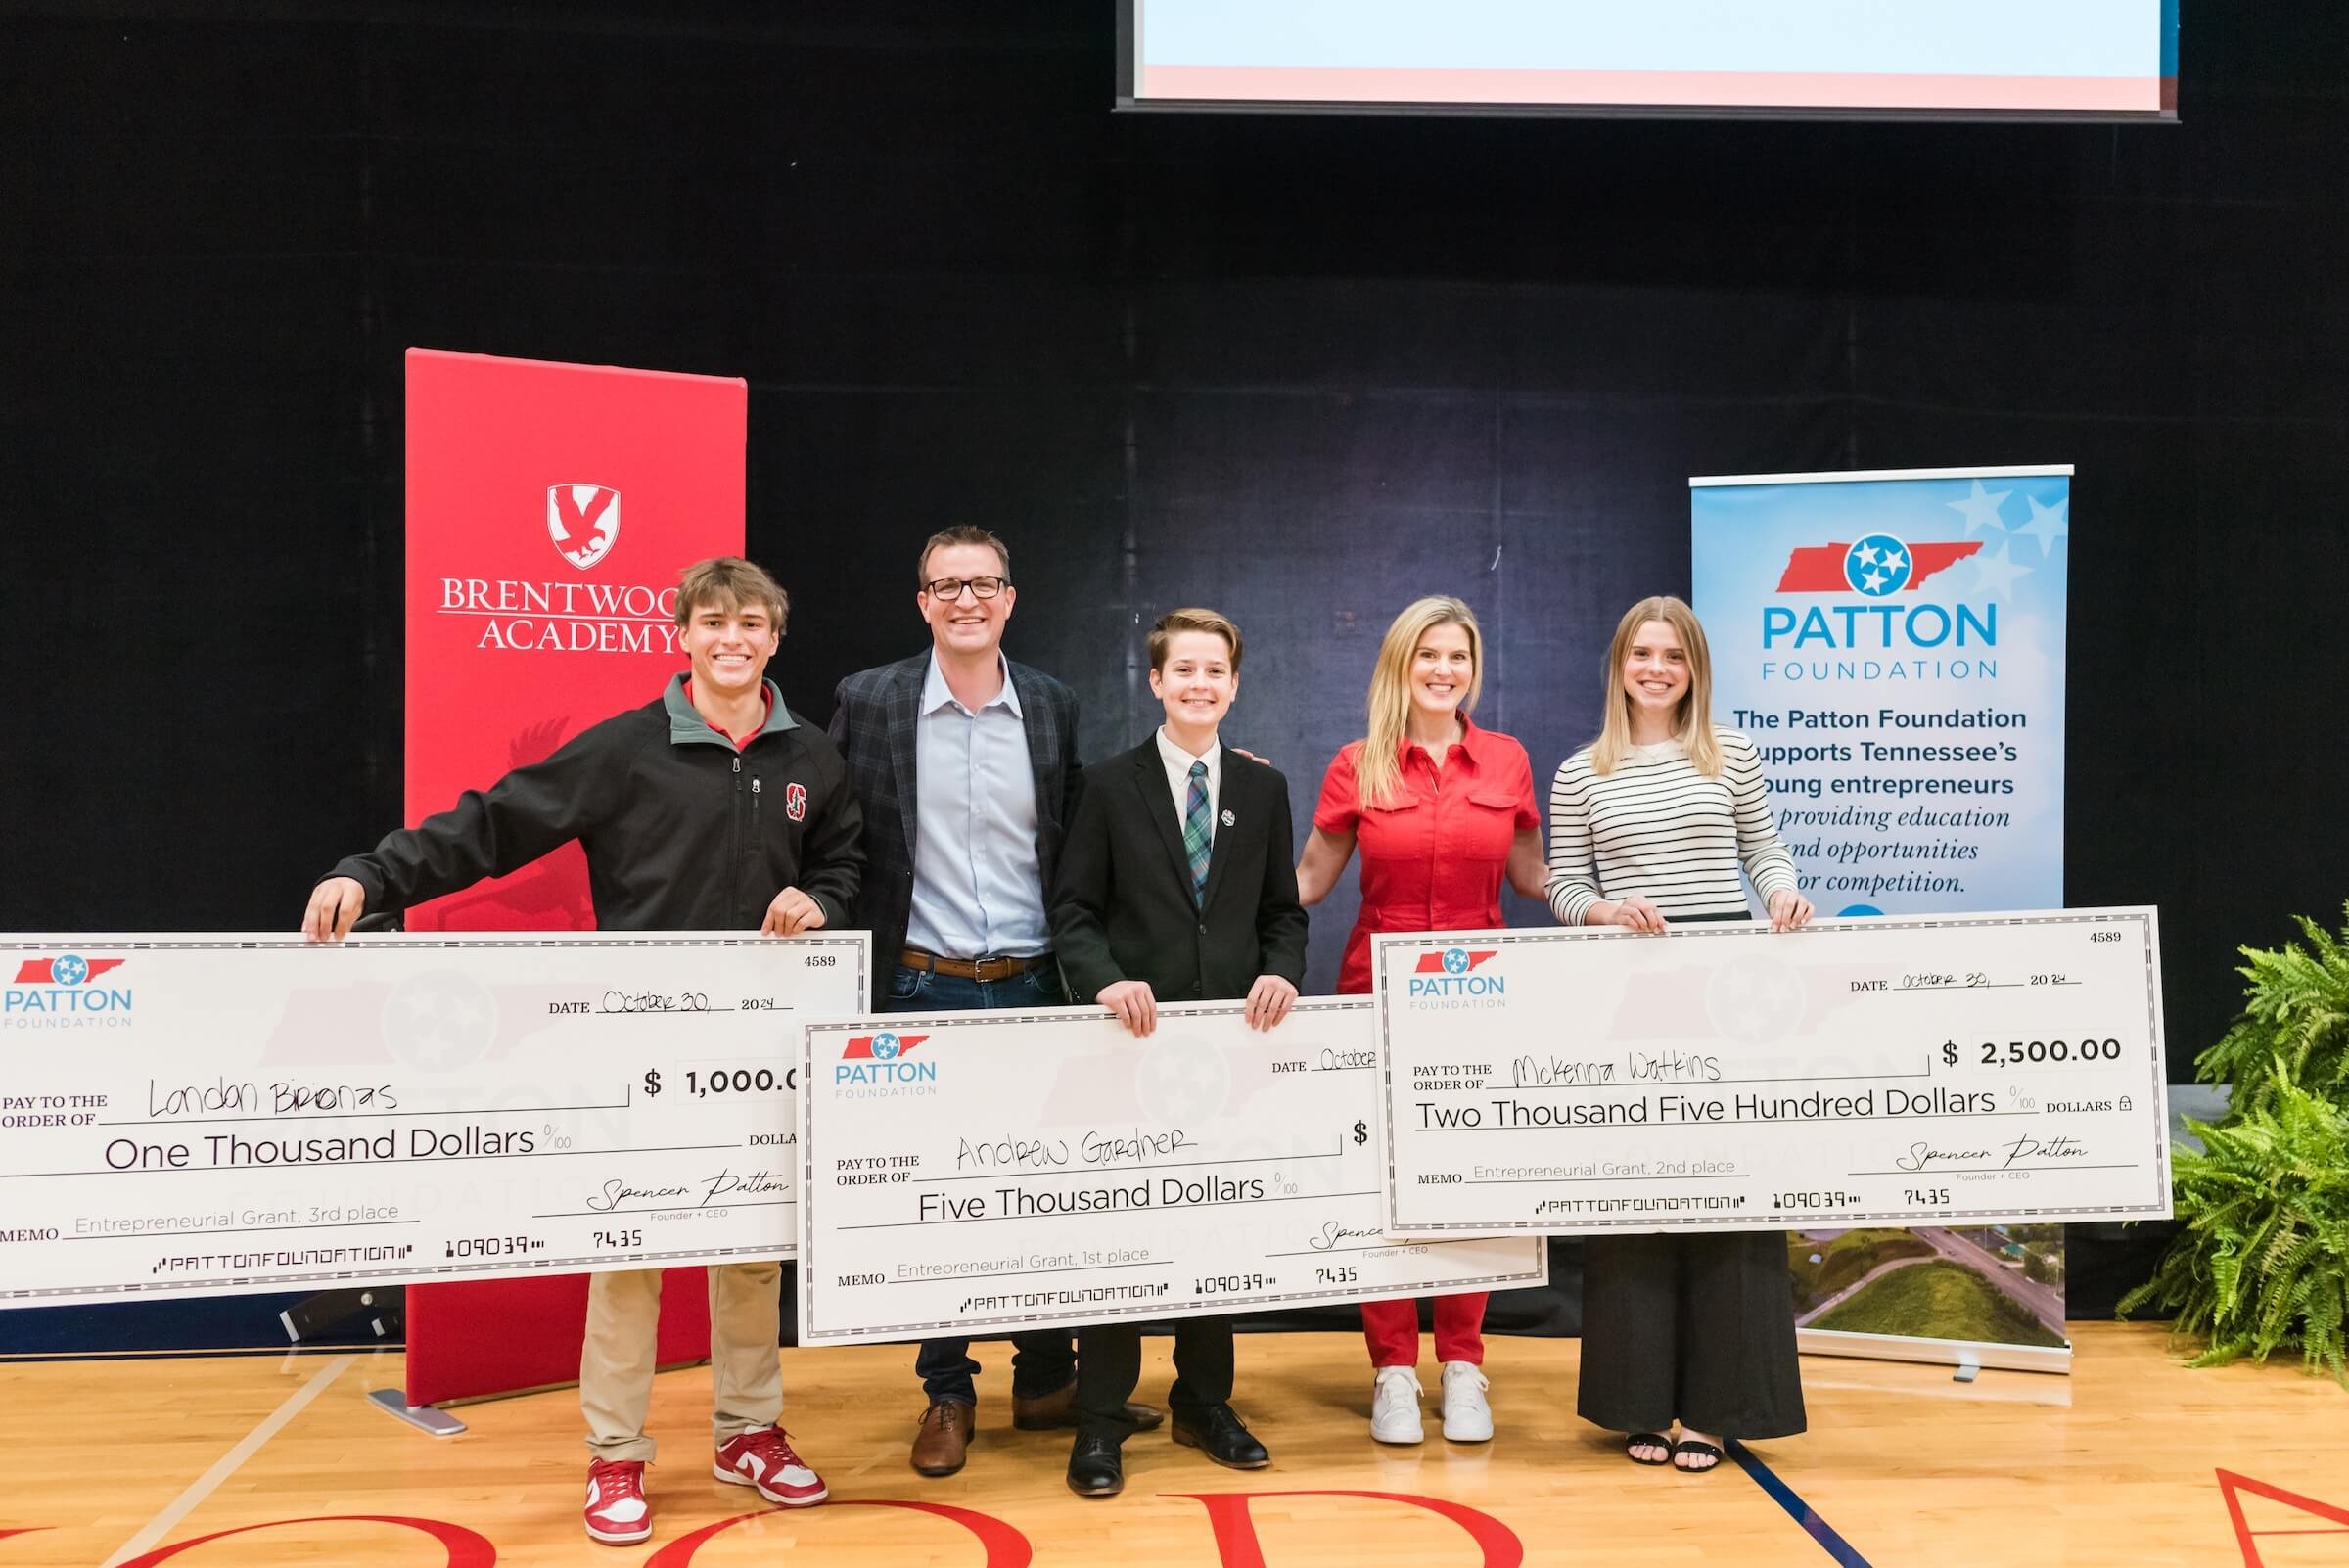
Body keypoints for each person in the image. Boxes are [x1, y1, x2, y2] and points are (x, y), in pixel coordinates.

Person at [301, 557, 857, 1546]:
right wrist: (372, 874)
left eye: (753, 625)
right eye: (714, 622)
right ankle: (616, 1454)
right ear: (681, 634)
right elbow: (493, 825)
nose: (733, 640)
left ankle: (749, 1432)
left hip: (761, 1047)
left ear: (776, 638)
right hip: (639, 1048)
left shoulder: (811, 756)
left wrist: (826, 900)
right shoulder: (627, 750)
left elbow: (845, 863)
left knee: (749, 1256)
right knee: (630, 1255)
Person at [827, 525, 1160, 1476]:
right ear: (921, 601)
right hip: (919, 984)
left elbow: (1081, 842)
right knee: (940, 1202)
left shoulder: (1051, 706)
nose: (966, 600)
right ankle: (946, 1393)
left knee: (1042, 1192)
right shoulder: (872, 701)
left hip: (1035, 985)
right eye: (946, 586)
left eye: (984, 584)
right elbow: (843, 840)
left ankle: (1047, 1378)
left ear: (1011, 599)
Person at [1545, 593, 1813, 1473]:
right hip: (1629, 1003)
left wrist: (1779, 892)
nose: (1656, 668)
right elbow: (1564, 887)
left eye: (1674, 655)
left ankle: (1716, 1410)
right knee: (1640, 1199)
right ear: (1618, 665)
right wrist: (1603, 911)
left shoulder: (1729, 753)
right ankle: (1640, 1405)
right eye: (1642, 653)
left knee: (1733, 1196)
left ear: (1694, 668)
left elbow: (1763, 849)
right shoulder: (1581, 771)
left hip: (1731, 998)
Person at [1050, 608, 1309, 1498]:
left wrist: (1281, 971)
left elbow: (1283, 911)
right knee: (1123, 1233)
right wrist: (1102, 981)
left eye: (1216, 672)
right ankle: (1100, 1417)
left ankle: (1204, 1401)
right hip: (1132, 1044)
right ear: (1155, 683)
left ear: (1234, 685)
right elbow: (1075, 911)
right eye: (1182, 671)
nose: (1200, 685)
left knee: (1215, 1226)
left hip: (1230, 1054)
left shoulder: (1263, 789)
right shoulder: (1110, 785)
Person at [1295, 595, 1546, 1446]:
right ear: (1400, 666)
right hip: (1375, 997)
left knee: (1467, 1181)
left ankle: (1465, 1365)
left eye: (1458, 657)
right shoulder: (1357, 764)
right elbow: (1304, 884)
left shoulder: (1507, 762)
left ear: (1473, 670)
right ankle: (1394, 1370)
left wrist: (1608, 905)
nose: (1443, 670)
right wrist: (1238, 807)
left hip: (1483, 1004)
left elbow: (1533, 878)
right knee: (1388, 1192)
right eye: (1427, 656)